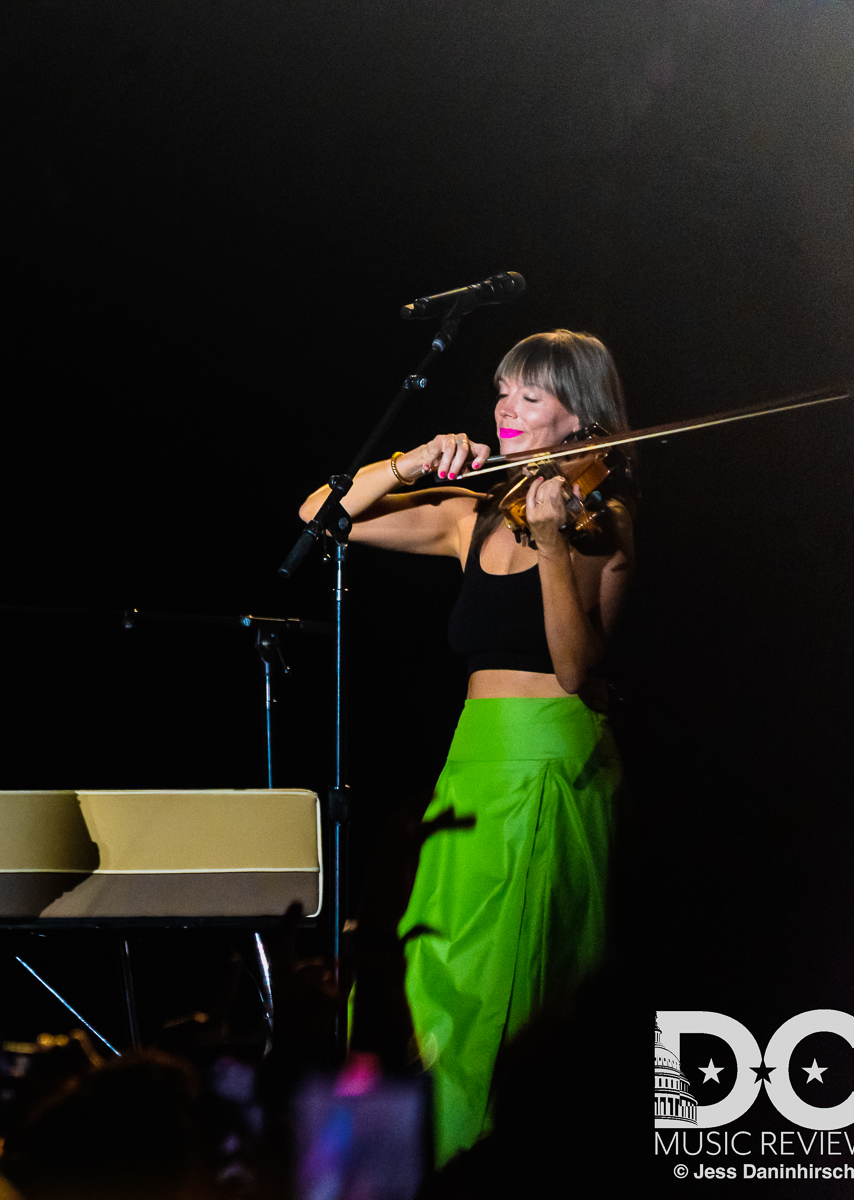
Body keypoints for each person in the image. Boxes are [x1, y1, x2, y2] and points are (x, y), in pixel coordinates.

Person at [297, 329, 634, 1167]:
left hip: (549, 762)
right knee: (422, 981)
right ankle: (393, 1166)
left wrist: (553, 541)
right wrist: (410, 464)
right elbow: (320, 516)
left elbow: (573, 666)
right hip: (469, 768)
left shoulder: (604, 520)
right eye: (503, 392)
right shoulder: (472, 514)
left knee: (504, 995)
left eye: (530, 396)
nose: (506, 409)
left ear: (579, 417)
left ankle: (484, 1168)